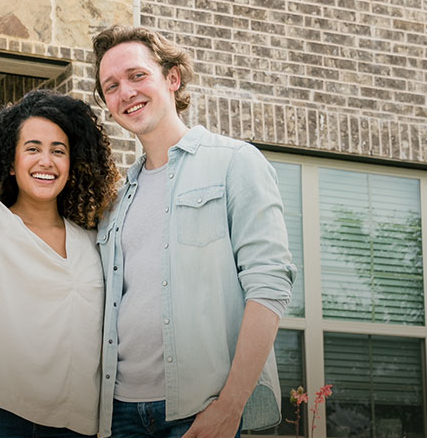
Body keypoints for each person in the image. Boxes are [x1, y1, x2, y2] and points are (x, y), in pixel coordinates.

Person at [90, 25, 297, 438]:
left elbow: (270, 286)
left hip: (201, 412)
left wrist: (230, 406)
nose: (125, 93)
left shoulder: (235, 163)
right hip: (117, 416)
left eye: (136, 75)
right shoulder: (114, 199)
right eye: (110, 85)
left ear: (172, 78)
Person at [0, 88, 120, 437]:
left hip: (77, 423)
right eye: (32, 149)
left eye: (59, 151)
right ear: (10, 163)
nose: (46, 161)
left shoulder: (94, 242)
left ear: (72, 164)